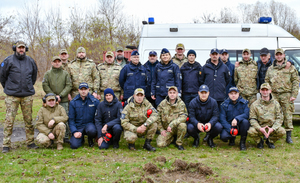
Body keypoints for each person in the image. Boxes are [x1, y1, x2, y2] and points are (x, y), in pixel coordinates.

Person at [0, 40, 39, 153]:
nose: (21, 49)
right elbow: (2, 76)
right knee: (9, 121)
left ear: (25, 49)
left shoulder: (30, 61)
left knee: (29, 121)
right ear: (15, 48)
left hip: (27, 95)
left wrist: (27, 86)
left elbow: (34, 76)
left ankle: (30, 142)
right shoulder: (8, 61)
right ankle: (6, 144)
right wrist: (8, 87)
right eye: (19, 48)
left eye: (23, 47)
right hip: (12, 96)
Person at [265, 48, 300, 144]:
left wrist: (294, 95)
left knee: (287, 115)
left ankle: (288, 136)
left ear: (284, 55)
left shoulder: (290, 68)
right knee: (273, 115)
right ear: (275, 56)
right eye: (277, 54)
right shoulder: (271, 68)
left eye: (280, 54)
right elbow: (267, 81)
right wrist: (268, 94)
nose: (279, 56)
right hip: (274, 95)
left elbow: (295, 82)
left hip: (286, 95)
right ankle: (272, 134)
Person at [42, 56, 72, 143]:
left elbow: (68, 85)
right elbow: (45, 85)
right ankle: (50, 135)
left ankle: (65, 136)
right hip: (50, 101)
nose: (57, 63)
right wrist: (53, 97)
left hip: (63, 100)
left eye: (59, 61)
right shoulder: (47, 74)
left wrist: (61, 96)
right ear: (52, 63)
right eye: (55, 61)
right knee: (49, 118)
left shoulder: (65, 73)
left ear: (61, 63)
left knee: (64, 117)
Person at [248, 83, 285, 149]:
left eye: (267, 90)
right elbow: (252, 119)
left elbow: (280, 118)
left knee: (282, 131)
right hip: (260, 128)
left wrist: (273, 128)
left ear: (270, 91)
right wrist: (259, 128)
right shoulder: (254, 104)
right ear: (260, 91)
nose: (265, 92)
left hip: (271, 128)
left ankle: (270, 141)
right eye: (263, 90)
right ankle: (259, 142)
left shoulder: (276, 104)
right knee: (251, 131)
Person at [68, 82, 100, 149]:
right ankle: (81, 138)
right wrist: (74, 132)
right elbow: (71, 120)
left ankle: (90, 139)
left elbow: (98, 118)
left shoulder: (95, 102)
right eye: (81, 89)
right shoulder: (73, 102)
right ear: (78, 90)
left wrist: (98, 135)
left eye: (85, 89)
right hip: (79, 126)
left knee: (92, 131)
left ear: (88, 90)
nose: (83, 91)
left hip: (90, 125)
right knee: (74, 145)